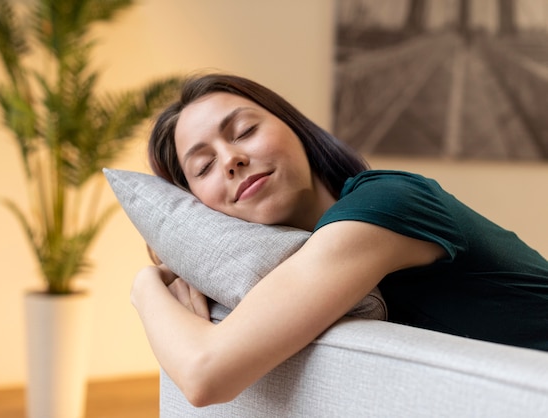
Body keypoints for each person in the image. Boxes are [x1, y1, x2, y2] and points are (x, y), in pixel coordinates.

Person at [131, 73, 548, 406]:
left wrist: (144, 287)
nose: (231, 159)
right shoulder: (304, 255)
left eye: (244, 131)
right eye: (203, 167)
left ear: (294, 129)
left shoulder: (387, 202)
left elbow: (206, 375)